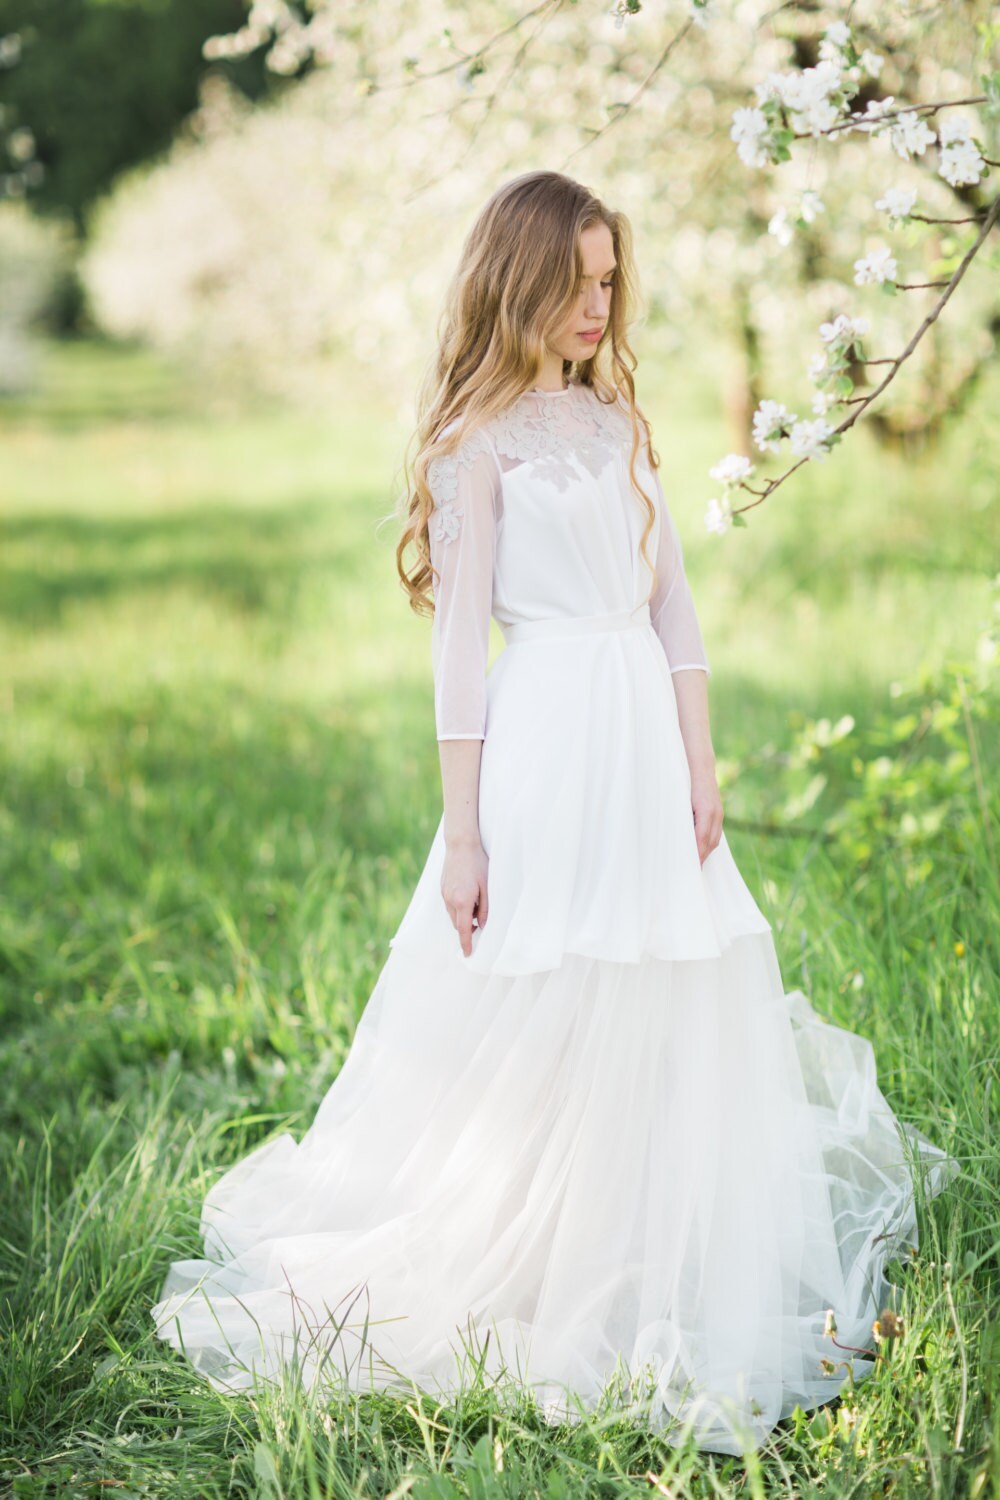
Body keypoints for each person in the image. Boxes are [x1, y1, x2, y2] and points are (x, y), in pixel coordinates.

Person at [151, 169, 955, 1455]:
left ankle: (639, 1226)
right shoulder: (474, 446)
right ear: (520, 281)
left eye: (608, 280)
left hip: (642, 736)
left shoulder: (617, 419)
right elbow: (460, 653)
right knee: (544, 971)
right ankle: (522, 1233)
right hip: (545, 742)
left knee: (660, 969)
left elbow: (672, 608)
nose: (600, 303)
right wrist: (464, 831)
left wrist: (702, 761)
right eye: (578, 281)